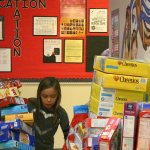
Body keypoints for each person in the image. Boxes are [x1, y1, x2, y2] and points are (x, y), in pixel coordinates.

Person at [27, 77, 70, 150]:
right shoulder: (30, 105)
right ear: (39, 94)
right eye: (44, 96)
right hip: (27, 147)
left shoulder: (61, 113)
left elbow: (68, 138)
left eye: (53, 96)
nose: (49, 100)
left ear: (58, 96)